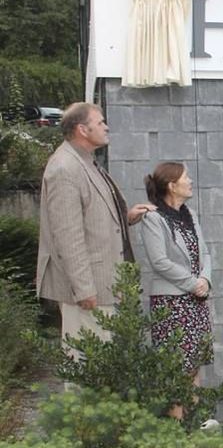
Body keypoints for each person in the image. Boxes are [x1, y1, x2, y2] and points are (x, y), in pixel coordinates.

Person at [36, 102, 154, 349]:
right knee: (87, 365)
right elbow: (67, 236)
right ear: (82, 129)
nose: (106, 127)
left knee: (103, 364)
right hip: (88, 290)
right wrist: (84, 289)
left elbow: (91, 217)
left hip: (105, 284)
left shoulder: (84, 160)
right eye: (100, 122)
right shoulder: (64, 168)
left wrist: (126, 217)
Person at [138, 162, 213, 419]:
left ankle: (195, 424)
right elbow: (159, 261)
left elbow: (205, 252)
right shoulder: (153, 218)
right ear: (172, 185)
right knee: (176, 368)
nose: (190, 181)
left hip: (196, 302)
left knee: (193, 366)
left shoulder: (189, 214)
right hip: (171, 304)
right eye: (186, 177)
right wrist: (193, 283)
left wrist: (205, 279)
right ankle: (177, 429)